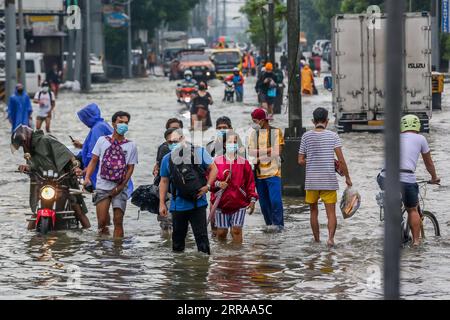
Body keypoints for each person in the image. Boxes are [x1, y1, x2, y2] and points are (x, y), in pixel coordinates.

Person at [377, 115, 440, 246]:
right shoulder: (421, 139)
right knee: (412, 209)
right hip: (406, 178)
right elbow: (429, 163)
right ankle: (416, 242)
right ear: (417, 126)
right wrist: (434, 178)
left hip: (385, 177)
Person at [11, 125, 91, 229]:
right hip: (44, 183)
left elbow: (65, 153)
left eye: (22, 144)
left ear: (27, 139)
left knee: (76, 206)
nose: (23, 147)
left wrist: (75, 163)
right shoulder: (30, 152)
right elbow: (34, 166)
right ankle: (30, 239)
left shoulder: (46, 140)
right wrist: (26, 167)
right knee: (36, 211)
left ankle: (90, 234)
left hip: (62, 180)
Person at [298, 107, 352, 247]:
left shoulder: (306, 136)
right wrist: (347, 178)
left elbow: (300, 160)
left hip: (312, 181)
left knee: (313, 212)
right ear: (327, 121)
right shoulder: (333, 136)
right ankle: (330, 239)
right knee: (331, 213)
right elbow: (341, 160)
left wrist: (312, 161)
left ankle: (316, 240)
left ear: (313, 121)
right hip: (329, 180)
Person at [159, 129, 218, 254]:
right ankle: (179, 269)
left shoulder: (198, 152)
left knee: (202, 241)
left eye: (175, 141)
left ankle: (202, 269)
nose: (173, 144)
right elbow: (164, 181)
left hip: (198, 203)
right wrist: (162, 203)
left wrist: (207, 186)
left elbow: (214, 169)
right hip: (177, 205)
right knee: (177, 243)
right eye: (170, 142)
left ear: (182, 138)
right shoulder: (166, 159)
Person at [84, 111, 138, 238]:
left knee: (118, 222)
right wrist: (87, 178)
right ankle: (103, 251)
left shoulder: (131, 145)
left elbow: (130, 168)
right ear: (114, 124)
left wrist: (121, 186)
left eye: (126, 122)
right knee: (102, 223)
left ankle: (117, 251)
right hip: (102, 186)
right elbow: (93, 161)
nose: (123, 125)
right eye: (120, 122)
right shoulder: (102, 141)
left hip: (120, 187)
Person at [211, 131, 258, 244]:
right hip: (221, 203)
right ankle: (223, 255)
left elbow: (250, 183)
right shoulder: (216, 162)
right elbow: (209, 182)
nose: (232, 144)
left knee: (236, 230)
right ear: (224, 144)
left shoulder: (244, 163)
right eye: (230, 142)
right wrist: (219, 184)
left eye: (235, 142)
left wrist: (252, 200)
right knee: (221, 232)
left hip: (239, 203)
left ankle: (237, 256)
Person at [248, 108, 285, 232]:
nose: (254, 123)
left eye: (255, 121)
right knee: (264, 205)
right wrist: (269, 150)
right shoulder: (254, 133)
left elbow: (278, 152)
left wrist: (260, 153)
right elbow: (251, 152)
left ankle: (279, 226)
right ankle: (269, 226)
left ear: (263, 120)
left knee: (275, 201)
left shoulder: (276, 132)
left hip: (274, 172)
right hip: (259, 174)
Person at [72, 103, 113, 189]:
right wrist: (81, 146)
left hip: (98, 167)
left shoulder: (97, 128)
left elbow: (94, 154)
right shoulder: (102, 124)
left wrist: (85, 171)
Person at [153, 118, 184, 186]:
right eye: (172, 129)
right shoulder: (163, 148)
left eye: (177, 129)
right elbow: (158, 167)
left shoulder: (190, 148)